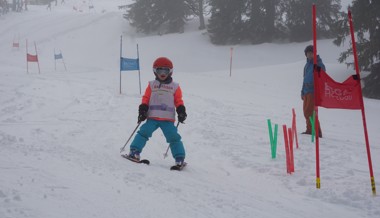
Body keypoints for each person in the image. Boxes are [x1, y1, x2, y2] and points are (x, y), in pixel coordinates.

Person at [127, 57, 187, 166]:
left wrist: (181, 110)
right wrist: (143, 109)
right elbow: (146, 98)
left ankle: (179, 158)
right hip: (152, 117)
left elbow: (178, 100)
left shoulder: (175, 86)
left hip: (167, 119)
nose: (163, 74)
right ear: (155, 71)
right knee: (143, 132)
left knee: (174, 137)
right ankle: (134, 151)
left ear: (170, 72)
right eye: (160, 71)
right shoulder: (151, 85)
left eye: (166, 71)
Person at [301, 45, 325, 137]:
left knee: (310, 111)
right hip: (306, 90)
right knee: (306, 112)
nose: (310, 55)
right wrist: (302, 92)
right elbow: (304, 79)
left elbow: (322, 77)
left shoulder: (318, 64)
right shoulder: (307, 65)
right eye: (308, 53)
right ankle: (310, 129)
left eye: (311, 53)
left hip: (313, 90)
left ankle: (316, 131)